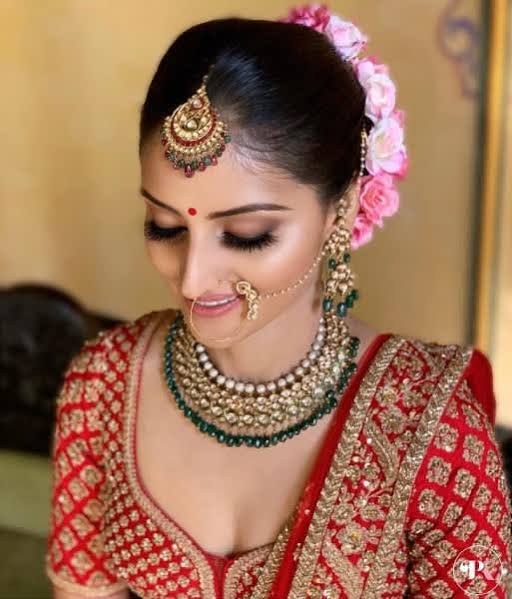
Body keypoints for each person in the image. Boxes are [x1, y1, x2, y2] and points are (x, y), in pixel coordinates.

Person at [45, 5, 512, 598]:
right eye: (165, 226)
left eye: (247, 235)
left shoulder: (432, 430)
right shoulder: (105, 386)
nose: (192, 279)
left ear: (341, 209)